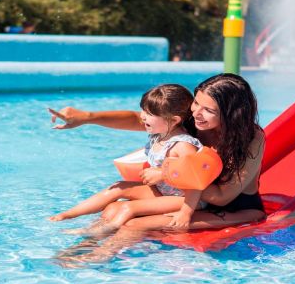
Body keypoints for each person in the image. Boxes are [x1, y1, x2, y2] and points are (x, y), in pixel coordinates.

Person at [49, 73, 266, 262]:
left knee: (134, 225)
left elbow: (222, 197)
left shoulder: (250, 138)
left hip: (232, 209)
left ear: (232, 113)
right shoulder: (196, 120)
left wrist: (166, 173)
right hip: (187, 197)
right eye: (196, 103)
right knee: (113, 208)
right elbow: (139, 119)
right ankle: (77, 250)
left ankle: (95, 260)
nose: (196, 112)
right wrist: (87, 117)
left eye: (208, 109)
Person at [49, 84, 208, 234]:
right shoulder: (160, 132)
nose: (142, 116)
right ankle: (68, 214)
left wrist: (186, 213)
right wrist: (86, 117)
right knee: (118, 187)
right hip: (164, 191)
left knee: (128, 208)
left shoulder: (183, 146)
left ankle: (101, 231)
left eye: (149, 114)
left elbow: (196, 183)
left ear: (174, 120)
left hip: (184, 199)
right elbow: (134, 119)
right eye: (143, 110)